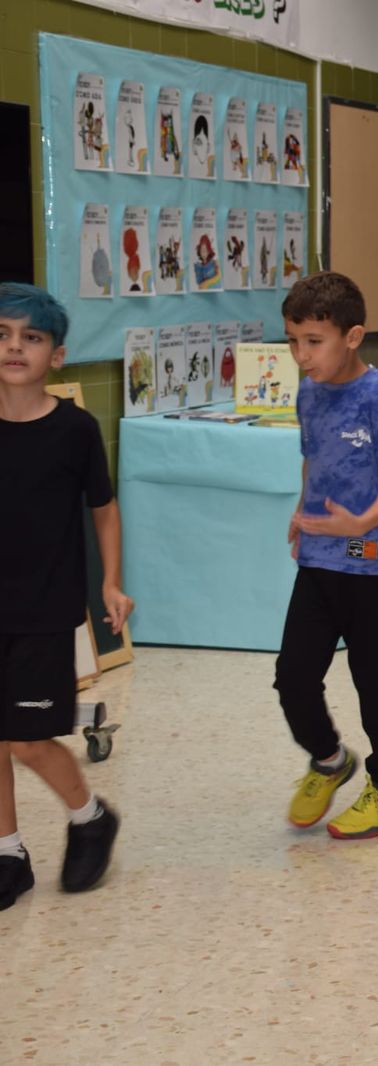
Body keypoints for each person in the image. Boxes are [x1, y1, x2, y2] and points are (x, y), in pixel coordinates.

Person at [276, 272, 378, 841]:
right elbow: (312, 460)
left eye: (314, 341)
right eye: (293, 340)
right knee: (293, 676)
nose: (301, 355)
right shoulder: (310, 391)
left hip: (376, 562)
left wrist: (357, 524)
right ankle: (328, 759)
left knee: (377, 680)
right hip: (319, 558)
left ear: (354, 336)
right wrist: (301, 511)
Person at [0, 283, 129, 910]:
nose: (14, 347)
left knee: (26, 739)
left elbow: (103, 511)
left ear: (57, 354)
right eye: (2, 334)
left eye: (31, 336)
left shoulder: (75, 428)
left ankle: (89, 817)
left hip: (45, 608)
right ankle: (8, 852)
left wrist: (110, 582)